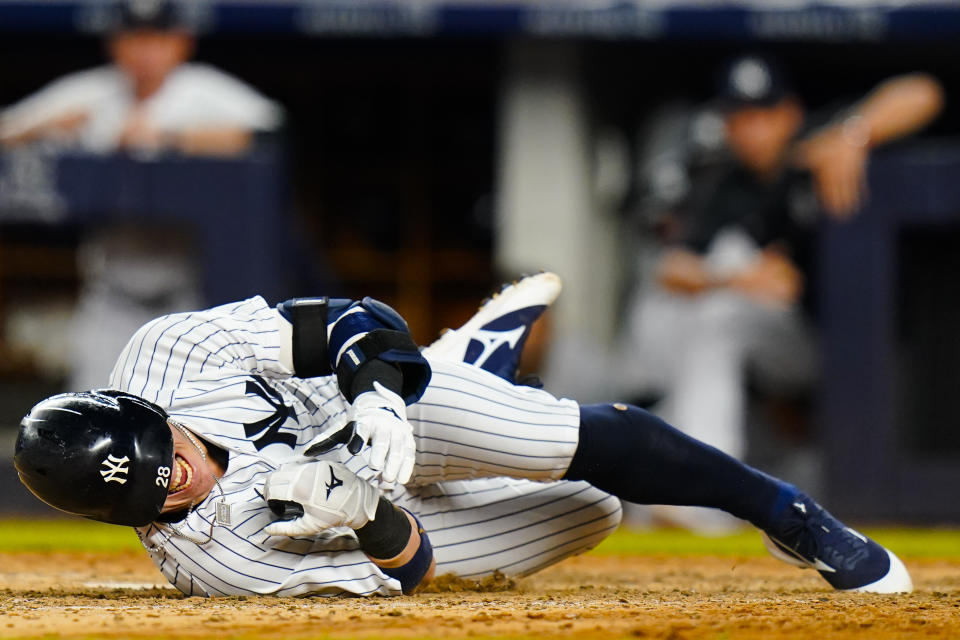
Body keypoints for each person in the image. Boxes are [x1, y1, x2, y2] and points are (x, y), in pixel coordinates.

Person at [15, 272, 912, 596]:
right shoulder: (217, 560)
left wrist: (376, 402)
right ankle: (472, 359)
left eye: (161, 459)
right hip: (376, 506)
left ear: (142, 407)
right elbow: (411, 571)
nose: (174, 483)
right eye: (149, 498)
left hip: (381, 408)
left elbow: (351, 318)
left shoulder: (166, 350)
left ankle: (793, 518)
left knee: (573, 438)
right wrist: (365, 516)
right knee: (592, 511)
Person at [619, 55, 944, 530]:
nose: (752, 129)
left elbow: (923, 91)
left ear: (789, 112)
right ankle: (697, 501)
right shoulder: (729, 183)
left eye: (763, 113)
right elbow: (672, 268)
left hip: (882, 340)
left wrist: (856, 134)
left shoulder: (820, 138)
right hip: (803, 344)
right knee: (720, 316)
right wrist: (738, 278)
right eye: (740, 117)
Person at [0, 0, 283, 390]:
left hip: (185, 299)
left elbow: (270, 132)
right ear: (114, 43)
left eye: (157, 38)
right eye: (134, 37)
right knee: (90, 416)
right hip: (110, 297)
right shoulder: (92, 93)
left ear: (181, 43)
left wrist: (171, 139)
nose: (144, 51)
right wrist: (47, 128)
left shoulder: (201, 92)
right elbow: (8, 129)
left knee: (186, 420)